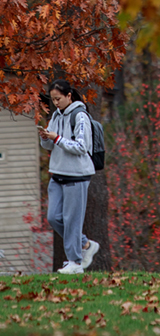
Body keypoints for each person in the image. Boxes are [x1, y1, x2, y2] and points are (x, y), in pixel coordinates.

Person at [38, 79, 101, 275]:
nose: (55, 103)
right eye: (53, 99)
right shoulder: (56, 116)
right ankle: (85, 244)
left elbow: (82, 147)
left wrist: (57, 138)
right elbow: (49, 146)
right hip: (57, 174)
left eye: (58, 99)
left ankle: (75, 262)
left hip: (77, 175)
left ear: (68, 96)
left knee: (72, 220)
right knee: (54, 217)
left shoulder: (80, 116)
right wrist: (46, 138)